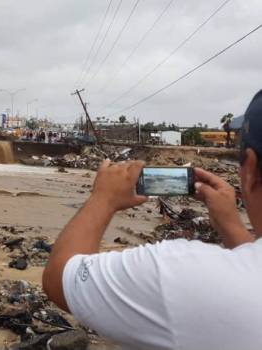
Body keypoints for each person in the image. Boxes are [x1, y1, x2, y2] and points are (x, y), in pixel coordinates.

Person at [43, 90, 262, 350]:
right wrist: (233, 228)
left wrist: (103, 199)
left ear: (249, 169)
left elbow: (60, 278)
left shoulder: (179, 273)